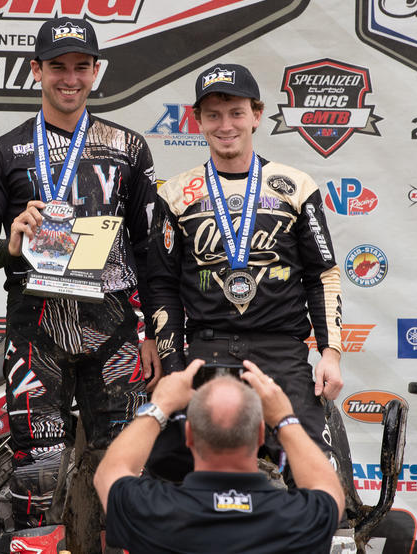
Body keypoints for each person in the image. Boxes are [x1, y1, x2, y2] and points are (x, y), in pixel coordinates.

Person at [0, 17, 161, 535]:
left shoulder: (129, 148)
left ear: (96, 71)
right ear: (36, 70)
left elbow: (151, 250)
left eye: (80, 67)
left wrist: (154, 334)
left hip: (114, 329)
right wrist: (10, 243)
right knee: (38, 469)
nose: (70, 78)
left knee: (125, 467)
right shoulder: (3, 152)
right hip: (36, 330)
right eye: (58, 67)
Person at [146, 63, 343, 463]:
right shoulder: (175, 194)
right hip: (207, 350)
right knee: (169, 465)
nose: (225, 125)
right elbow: (162, 284)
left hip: (281, 352)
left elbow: (321, 275)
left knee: (315, 465)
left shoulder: (297, 186)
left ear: (256, 115)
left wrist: (330, 353)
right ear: (198, 120)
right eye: (213, 115)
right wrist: (174, 366)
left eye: (236, 113)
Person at [93, 359, 345, 553]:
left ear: (189, 435)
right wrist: (284, 419)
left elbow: (109, 473)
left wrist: (160, 405)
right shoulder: (295, 519)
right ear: (260, 434)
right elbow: (329, 489)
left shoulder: (155, 511)